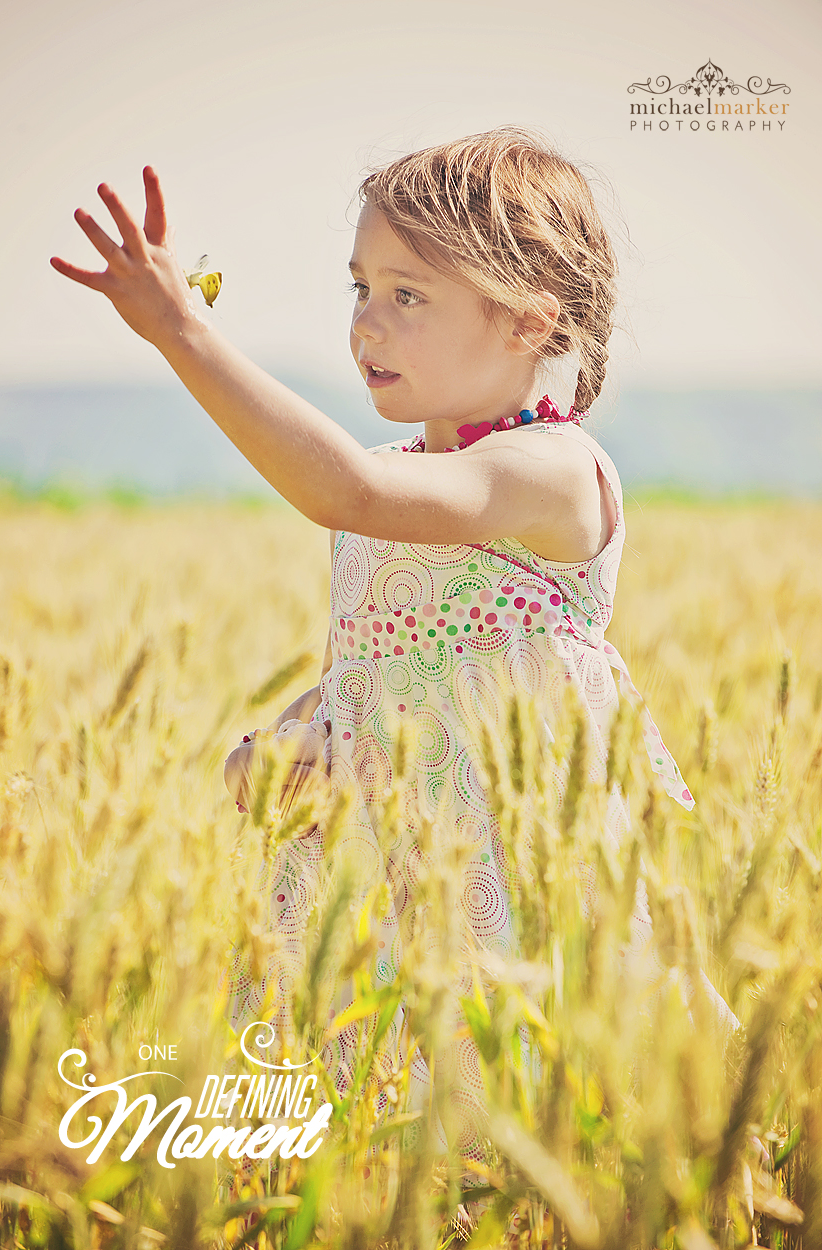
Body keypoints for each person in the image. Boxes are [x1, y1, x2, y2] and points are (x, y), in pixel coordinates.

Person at [51, 126, 716, 1193]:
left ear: (531, 314)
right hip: (381, 908)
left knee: (529, 1149)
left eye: (410, 294)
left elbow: (348, 493)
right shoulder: (394, 479)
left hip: (517, 906)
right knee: (385, 1171)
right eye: (359, 285)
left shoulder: (544, 470)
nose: (366, 320)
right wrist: (272, 760)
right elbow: (362, 682)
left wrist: (184, 332)